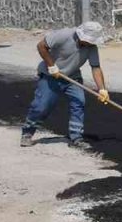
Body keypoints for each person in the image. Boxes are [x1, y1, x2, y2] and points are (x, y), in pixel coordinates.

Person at [21, 22, 110, 150]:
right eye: (88, 41)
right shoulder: (63, 35)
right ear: (81, 35)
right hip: (50, 76)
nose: (89, 44)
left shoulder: (91, 47)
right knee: (42, 105)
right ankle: (27, 132)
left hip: (72, 78)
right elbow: (41, 46)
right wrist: (52, 66)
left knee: (79, 102)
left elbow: (95, 67)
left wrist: (102, 89)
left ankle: (76, 137)